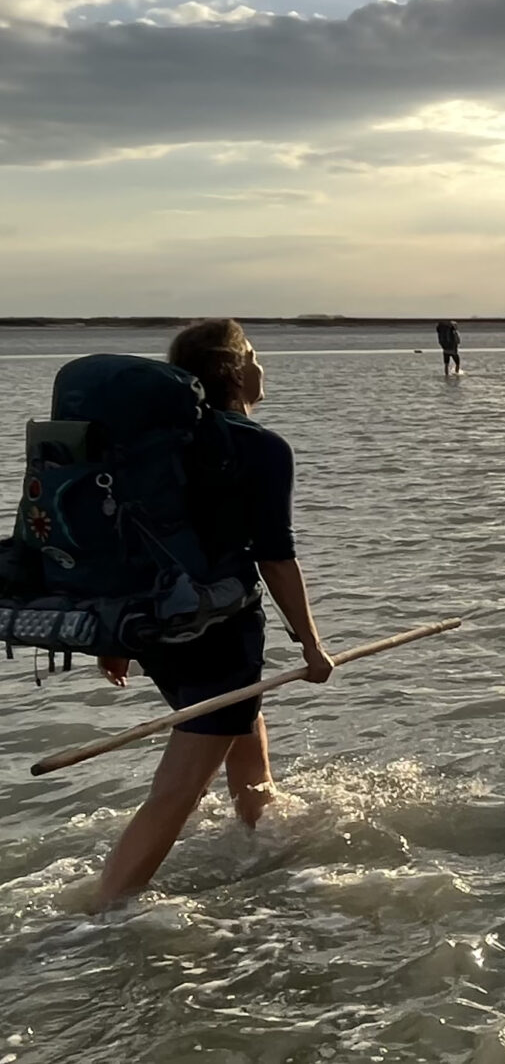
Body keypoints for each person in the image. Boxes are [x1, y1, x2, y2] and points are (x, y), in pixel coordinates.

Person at [92, 319, 333, 909]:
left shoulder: (150, 445)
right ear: (233, 371)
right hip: (218, 630)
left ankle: (260, 823)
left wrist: (114, 634)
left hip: (154, 628)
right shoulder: (261, 447)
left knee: (238, 716)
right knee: (179, 788)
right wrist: (310, 644)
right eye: (253, 355)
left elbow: (119, 544)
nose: (260, 366)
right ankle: (99, 912)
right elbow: (276, 559)